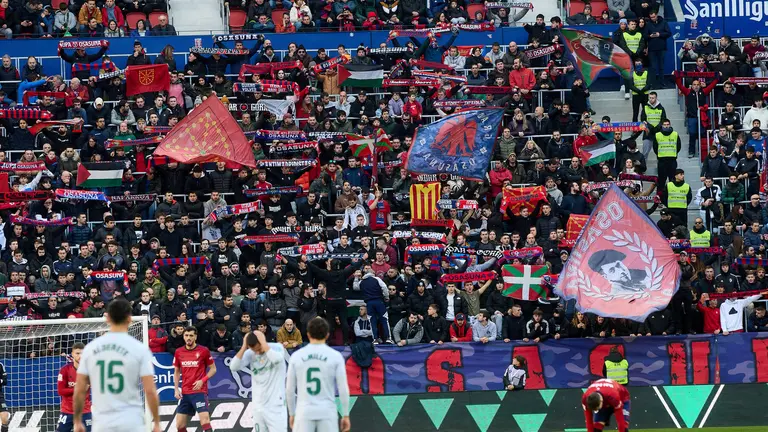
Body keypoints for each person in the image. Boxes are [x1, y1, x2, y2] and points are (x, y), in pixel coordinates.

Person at [73, 298, 161, 432]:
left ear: (107, 318)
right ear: (130, 319)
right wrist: (157, 422)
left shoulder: (91, 349)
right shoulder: (139, 349)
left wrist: (77, 421)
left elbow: (79, 390)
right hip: (132, 422)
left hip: (102, 424)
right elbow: (150, 391)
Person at [287, 317, 351, 432]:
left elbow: (290, 389)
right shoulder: (335, 356)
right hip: (327, 411)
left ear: (308, 334)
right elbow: (343, 388)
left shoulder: (297, 356)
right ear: (327, 335)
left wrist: (291, 413)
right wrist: (345, 414)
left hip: (304, 411)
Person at [229, 330, 287, 432]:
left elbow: (277, 359)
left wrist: (264, 344)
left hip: (276, 405)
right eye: (254, 350)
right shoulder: (250, 353)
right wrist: (243, 347)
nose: (258, 352)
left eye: (259, 349)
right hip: (258, 405)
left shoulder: (277, 347)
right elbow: (233, 367)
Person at [172, 326, 217, 432]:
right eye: (186, 335)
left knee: (205, 421)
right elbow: (177, 371)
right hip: (185, 392)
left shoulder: (203, 351)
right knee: (179, 425)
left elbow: (213, 369)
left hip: (199, 392)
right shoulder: (179, 352)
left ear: (195, 337)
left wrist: (202, 380)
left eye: (191, 335)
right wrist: (176, 389)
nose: (188, 338)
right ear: (183, 337)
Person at [58, 342, 92, 432]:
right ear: (72, 354)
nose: (80, 356)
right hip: (67, 411)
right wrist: (79, 388)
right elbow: (61, 391)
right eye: (77, 353)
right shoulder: (64, 370)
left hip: (85, 411)